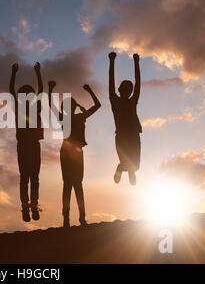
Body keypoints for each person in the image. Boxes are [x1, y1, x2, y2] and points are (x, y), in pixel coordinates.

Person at [48, 81, 101, 228]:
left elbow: (98, 106)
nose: (70, 108)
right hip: (70, 152)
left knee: (74, 185)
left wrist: (90, 91)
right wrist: (88, 91)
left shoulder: (76, 117)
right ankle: (72, 218)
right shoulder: (78, 117)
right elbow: (51, 105)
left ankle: (77, 218)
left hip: (72, 151)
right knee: (72, 185)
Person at [9, 62, 44, 222]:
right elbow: (11, 91)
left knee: (31, 178)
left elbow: (41, 91)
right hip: (25, 145)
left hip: (30, 145)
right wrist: (14, 73)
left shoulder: (33, 106)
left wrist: (37, 72)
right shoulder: (21, 107)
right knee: (27, 178)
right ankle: (27, 207)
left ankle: (32, 206)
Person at [108, 52, 142, 186]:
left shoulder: (133, 101)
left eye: (130, 89)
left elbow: (138, 83)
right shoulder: (114, 100)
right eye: (126, 89)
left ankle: (128, 170)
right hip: (122, 134)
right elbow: (110, 81)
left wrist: (136, 62)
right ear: (120, 89)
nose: (129, 91)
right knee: (126, 161)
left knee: (136, 165)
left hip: (133, 134)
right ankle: (122, 168)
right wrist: (111, 61)